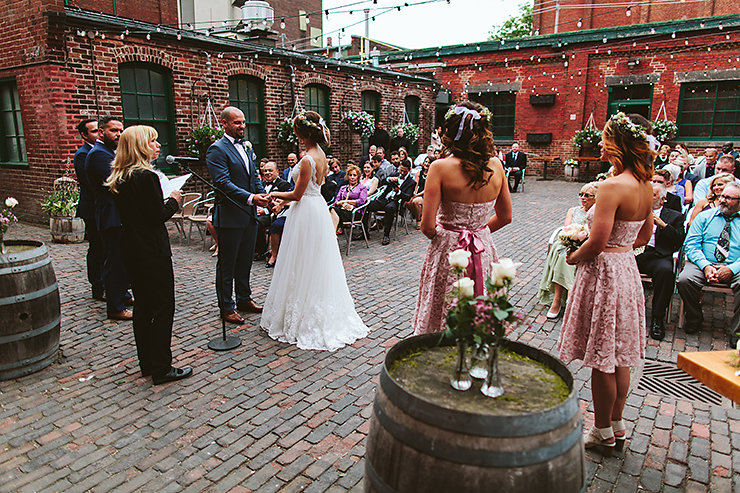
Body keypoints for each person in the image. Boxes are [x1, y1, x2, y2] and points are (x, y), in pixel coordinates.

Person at [558, 112, 655, 456]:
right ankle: (617, 424)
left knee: (602, 356)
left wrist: (572, 257)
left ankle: (600, 432)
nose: (599, 143)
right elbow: (644, 235)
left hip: (603, 271)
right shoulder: (648, 186)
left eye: (604, 137)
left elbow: (597, 242)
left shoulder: (611, 187)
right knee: (620, 356)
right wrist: (621, 247)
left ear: (618, 144)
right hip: (626, 268)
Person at [261, 110, 368, 351]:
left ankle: (304, 314)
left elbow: (298, 193)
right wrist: (283, 202)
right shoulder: (321, 154)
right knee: (312, 260)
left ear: (301, 133)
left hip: (306, 211)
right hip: (315, 207)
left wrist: (274, 194)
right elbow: (309, 190)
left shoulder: (308, 159)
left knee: (301, 259)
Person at [412, 101, 512, 334]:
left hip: (449, 251)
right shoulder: (496, 166)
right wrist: (478, 231)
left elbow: (427, 226)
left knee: (444, 306)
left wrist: (448, 234)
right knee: (480, 303)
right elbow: (505, 216)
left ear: (450, 132)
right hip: (482, 249)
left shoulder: (439, 168)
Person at [105, 125, 192, 385]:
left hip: (131, 246)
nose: (157, 146)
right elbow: (158, 216)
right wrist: (175, 198)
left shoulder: (120, 176)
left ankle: (147, 362)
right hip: (152, 249)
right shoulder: (146, 177)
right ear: (141, 146)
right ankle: (162, 367)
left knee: (143, 306)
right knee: (163, 306)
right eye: (153, 142)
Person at [205, 107, 269, 325]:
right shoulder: (217, 149)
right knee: (227, 265)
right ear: (224, 123)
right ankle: (226, 306)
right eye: (236, 123)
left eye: (243, 122)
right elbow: (222, 183)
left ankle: (244, 298)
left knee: (245, 262)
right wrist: (251, 198)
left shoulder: (247, 147)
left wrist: (262, 195)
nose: (242, 126)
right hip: (230, 216)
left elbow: (254, 176)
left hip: (249, 216)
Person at [678, 182, 740, 346]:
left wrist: (731, 269)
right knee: (685, 280)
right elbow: (691, 245)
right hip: (703, 262)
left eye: (728, 198)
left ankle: (737, 332)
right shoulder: (705, 217)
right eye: (722, 196)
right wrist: (706, 266)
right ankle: (694, 318)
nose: (723, 200)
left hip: (735, 265)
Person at [86, 116, 134, 320]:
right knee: (114, 261)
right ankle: (115, 306)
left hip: (118, 214)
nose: (119, 134)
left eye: (121, 130)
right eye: (114, 130)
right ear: (101, 131)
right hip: (110, 215)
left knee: (122, 258)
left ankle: (122, 294)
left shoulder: (110, 152)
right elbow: (117, 183)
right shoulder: (98, 154)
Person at [538, 182, 598, 319]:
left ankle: (567, 296)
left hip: (587, 244)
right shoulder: (573, 210)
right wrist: (574, 237)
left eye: (587, 195)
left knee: (569, 256)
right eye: (581, 194)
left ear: (596, 198)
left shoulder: (598, 213)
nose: (583, 198)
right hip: (570, 241)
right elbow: (567, 229)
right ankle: (558, 299)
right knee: (563, 254)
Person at [637, 183, 685, 341]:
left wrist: (663, 226)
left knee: (666, 272)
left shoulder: (674, 216)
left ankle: (657, 318)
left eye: (653, 195)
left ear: (663, 199)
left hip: (657, 254)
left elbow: (679, 240)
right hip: (635, 252)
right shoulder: (634, 210)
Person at [73, 118, 104, 302]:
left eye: (98, 130)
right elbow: (92, 185)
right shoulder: (84, 155)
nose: (97, 134)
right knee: (97, 247)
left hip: (101, 208)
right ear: (84, 135)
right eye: (93, 131)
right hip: (92, 208)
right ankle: (97, 285)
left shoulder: (102, 151)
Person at [367, 159, 416, 245]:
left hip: (396, 202)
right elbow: (381, 182)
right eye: (401, 170)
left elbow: (408, 198)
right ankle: (364, 232)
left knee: (389, 208)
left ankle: (386, 235)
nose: (402, 173)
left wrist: (399, 192)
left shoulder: (411, 182)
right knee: (367, 204)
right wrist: (388, 179)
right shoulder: (394, 174)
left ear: (409, 170)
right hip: (384, 199)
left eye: (404, 171)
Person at [255, 161, 290, 261]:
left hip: (273, 213)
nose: (267, 173)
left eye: (270, 170)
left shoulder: (284, 185)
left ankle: (261, 251)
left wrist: (265, 211)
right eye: (265, 171)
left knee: (257, 223)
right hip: (258, 210)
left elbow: (282, 203)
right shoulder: (260, 184)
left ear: (277, 172)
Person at [330, 164, 368, 235]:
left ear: (358, 177)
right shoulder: (343, 188)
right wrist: (341, 203)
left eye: (354, 175)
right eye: (350, 175)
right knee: (331, 209)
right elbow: (336, 201)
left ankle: (332, 234)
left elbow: (362, 201)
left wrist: (347, 202)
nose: (352, 177)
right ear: (348, 176)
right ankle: (333, 233)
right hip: (342, 210)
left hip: (355, 212)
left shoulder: (362, 188)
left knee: (332, 211)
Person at [407, 155, 431, 229]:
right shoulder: (419, 173)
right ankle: (418, 214)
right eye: (426, 162)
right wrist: (414, 192)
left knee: (416, 201)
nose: (426, 164)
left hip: (427, 194)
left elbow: (428, 188)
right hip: (418, 193)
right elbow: (415, 184)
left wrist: (417, 195)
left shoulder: (432, 174)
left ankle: (418, 220)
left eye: (429, 162)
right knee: (407, 201)